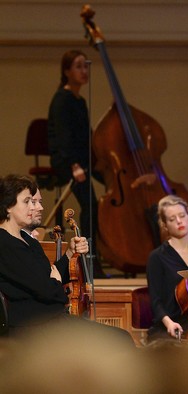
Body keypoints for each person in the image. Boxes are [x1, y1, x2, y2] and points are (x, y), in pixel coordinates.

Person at [0, 174, 89, 333]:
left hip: (51, 321)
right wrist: (54, 284)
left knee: (120, 338)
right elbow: (49, 291)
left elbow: (48, 278)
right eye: (27, 202)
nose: (35, 207)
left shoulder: (28, 240)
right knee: (119, 340)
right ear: (8, 206)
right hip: (33, 328)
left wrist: (70, 252)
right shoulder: (5, 243)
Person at [47, 49, 106, 278]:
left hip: (82, 160)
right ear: (66, 71)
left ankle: (96, 257)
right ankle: (88, 260)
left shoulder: (79, 100)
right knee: (90, 204)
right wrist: (74, 165)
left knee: (105, 189)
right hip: (67, 162)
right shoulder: (62, 99)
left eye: (85, 66)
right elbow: (63, 138)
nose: (84, 71)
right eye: (79, 66)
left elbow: (86, 136)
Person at [146, 195, 188, 342]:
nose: (179, 221)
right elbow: (156, 301)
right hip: (169, 326)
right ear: (165, 225)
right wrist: (169, 323)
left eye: (182, 216)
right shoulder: (157, 257)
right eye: (172, 219)